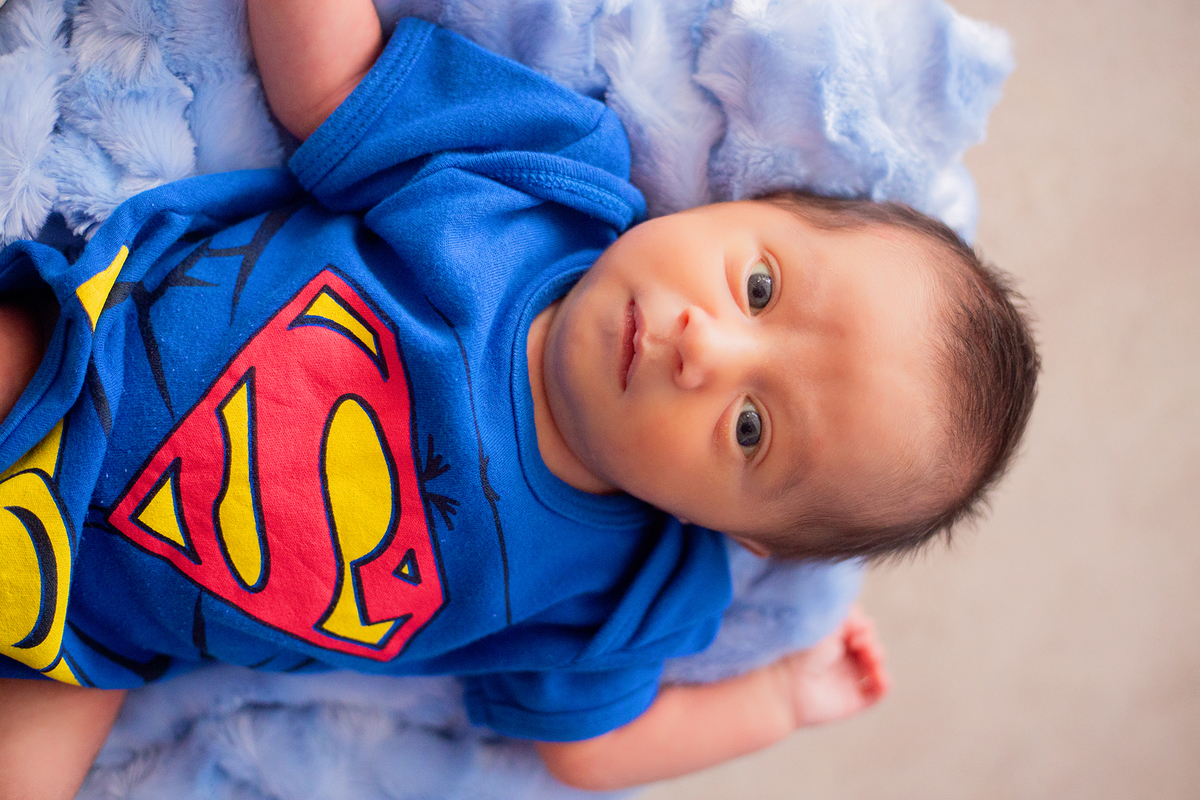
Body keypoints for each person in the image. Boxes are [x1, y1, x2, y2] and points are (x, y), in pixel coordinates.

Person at [0, 1, 1037, 797]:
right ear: (751, 207)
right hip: (80, 360)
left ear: (739, 532)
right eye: (759, 286)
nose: (704, 347)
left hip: (89, 634)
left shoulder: (629, 590)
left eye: (752, 427)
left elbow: (593, 748)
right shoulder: (546, 177)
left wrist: (778, 697)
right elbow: (332, 85)